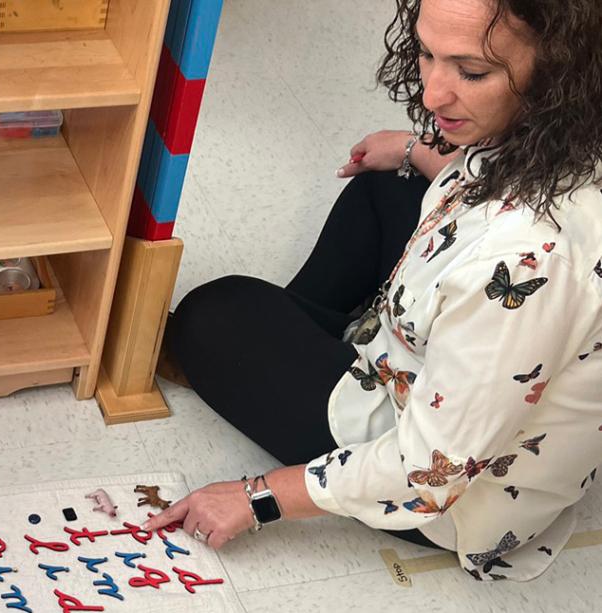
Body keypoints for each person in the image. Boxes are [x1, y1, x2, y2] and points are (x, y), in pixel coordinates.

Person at [146, 0, 602, 582]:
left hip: (457, 495)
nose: (434, 94)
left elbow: (430, 472)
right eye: (426, 52)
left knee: (212, 314)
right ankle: (305, 344)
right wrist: (416, 150)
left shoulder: (526, 263)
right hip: (470, 368)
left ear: (557, 69)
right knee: (391, 183)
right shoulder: (576, 121)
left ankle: (289, 351)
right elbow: (491, 176)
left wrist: (259, 497)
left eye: (471, 72)